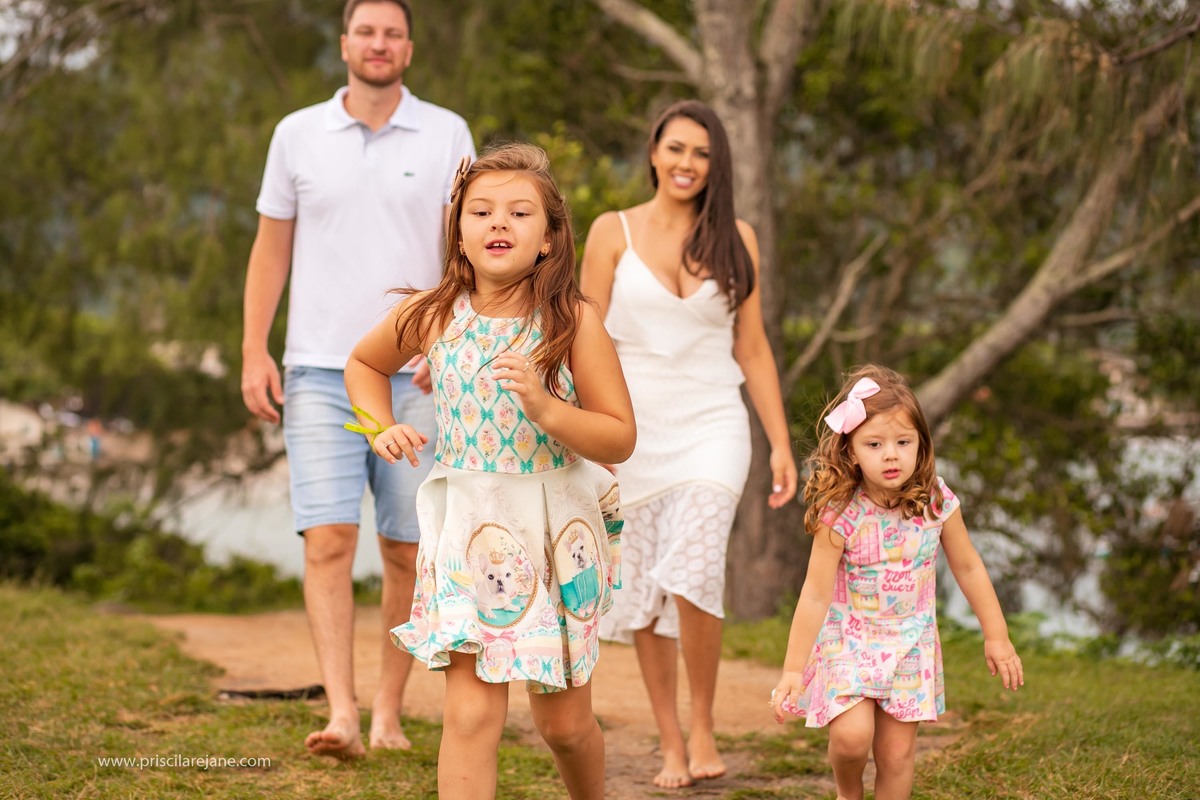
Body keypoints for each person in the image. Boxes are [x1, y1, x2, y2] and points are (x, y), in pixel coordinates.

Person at [344, 142, 636, 800]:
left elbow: (619, 436)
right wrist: (380, 426)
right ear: (458, 232)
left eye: (518, 212)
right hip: (472, 533)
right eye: (481, 211)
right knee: (471, 714)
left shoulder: (573, 321)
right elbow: (363, 366)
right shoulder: (432, 314)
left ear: (550, 239)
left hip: (551, 529)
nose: (498, 223)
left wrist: (546, 407)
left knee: (563, 724)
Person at [240, 0, 474, 758]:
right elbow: (271, 250)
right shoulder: (296, 134)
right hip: (316, 371)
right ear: (345, 43)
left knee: (407, 547)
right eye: (366, 31)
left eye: (393, 33)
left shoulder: (446, 133)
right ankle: (340, 713)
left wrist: (448, 343)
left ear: (410, 47)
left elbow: (465, 254)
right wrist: (254, 348)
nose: (379, 43)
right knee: (329, 540)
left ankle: (387, 711)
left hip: (418, 375)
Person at [580, 99, 799, 788]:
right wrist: (584, 428)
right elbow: (580, 334)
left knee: (699, 566)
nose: (686, 163)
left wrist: (782, 444)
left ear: (716, 165)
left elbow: (754, 348)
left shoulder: (738, 238)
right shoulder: (609, 232)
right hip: (633, 430)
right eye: (676, 148)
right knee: (645, 584)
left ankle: (703, 724)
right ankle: (670, 743)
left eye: (702, 154)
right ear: (653, 152)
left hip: (713, 423)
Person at [770, 364, 1024, 800]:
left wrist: (996, 635)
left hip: (911, 645)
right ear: (851, 451)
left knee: (896, 756)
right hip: (849, 640)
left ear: (921, 445)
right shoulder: (840, 512)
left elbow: (969, 567)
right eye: (875, 444)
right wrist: (794, 669)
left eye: (903, 442)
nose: (891, 455)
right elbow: (814, 594)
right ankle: (848, 791)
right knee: (851, 739)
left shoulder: (937, 501)